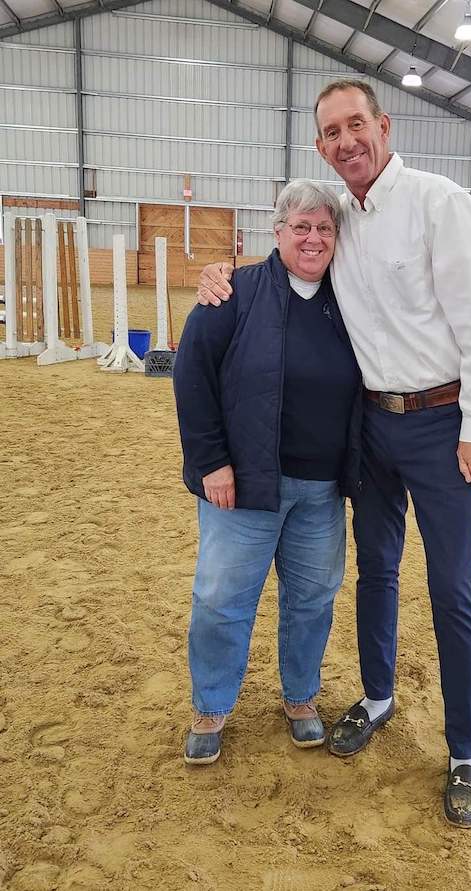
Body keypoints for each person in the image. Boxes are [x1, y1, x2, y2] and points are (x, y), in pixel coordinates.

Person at [196, 79, 471, 827]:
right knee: (375, 570)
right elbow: (286, 272)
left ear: (382, 124)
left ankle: (466, 751)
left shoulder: (439, 203)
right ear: (320, 145)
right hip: (370, 428)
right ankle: (376, 695)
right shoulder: (338, 219)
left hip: (442, 424)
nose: (346, 140)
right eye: (332, 131)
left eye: (356, 124)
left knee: (453, 589)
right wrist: (215, 276)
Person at [173, 179, 362, 766]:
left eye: (324, 228)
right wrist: (212, 463)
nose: (312, 238)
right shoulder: (233, 292)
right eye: (300, 226)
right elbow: (191, 375)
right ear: (276, 233)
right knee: (222, 598)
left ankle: (300, 698)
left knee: (312, 598)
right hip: (245, 484)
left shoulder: (352, 299)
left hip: (323, 489)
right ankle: (211, 707)